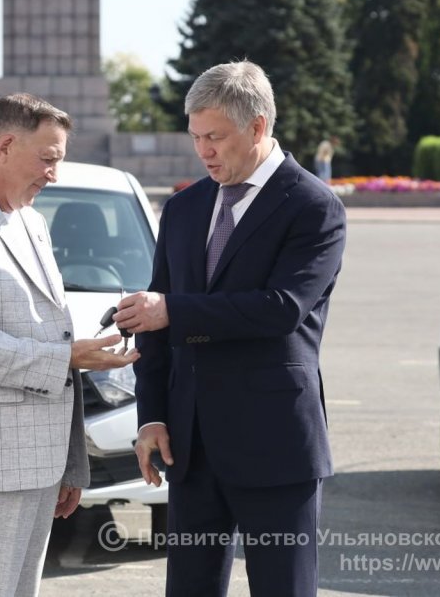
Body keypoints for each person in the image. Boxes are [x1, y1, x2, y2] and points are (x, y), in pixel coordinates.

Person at [114, 61, 347, 596]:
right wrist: (152, 417)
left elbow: (281, 308)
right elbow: (153, 322)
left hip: (276, 446)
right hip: (190, 450)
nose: (204, 151)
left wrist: (174, 311)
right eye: (196, 137)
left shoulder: (314, 206)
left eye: (215, 137)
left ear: (257, 126)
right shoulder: (183, 208)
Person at [0, 93, 139, 596]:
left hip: (38, 463)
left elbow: (47, 331)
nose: (54, 175)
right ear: (5, 147)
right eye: (48, 159)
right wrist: (68, 358)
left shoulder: (29, 219)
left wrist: (67, 462)